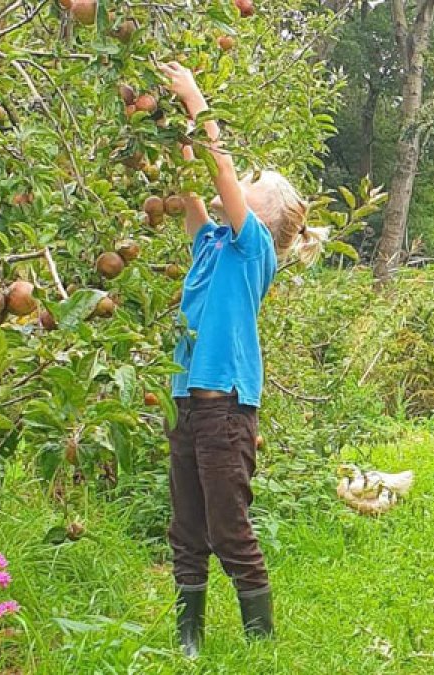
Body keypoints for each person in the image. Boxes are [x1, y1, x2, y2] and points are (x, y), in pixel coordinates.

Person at [158, 59, 326, 658]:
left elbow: (220, 167)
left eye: (252, 182)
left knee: (229, 529)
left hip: (227, 411)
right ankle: (190, 642)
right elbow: (192, 185)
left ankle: (261, 644)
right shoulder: (210, 242)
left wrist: (196, 101)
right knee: (186, 528)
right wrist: (169, 120)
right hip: (185, 404)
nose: (239, 181)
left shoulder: (255, 248)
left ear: (268, 214)